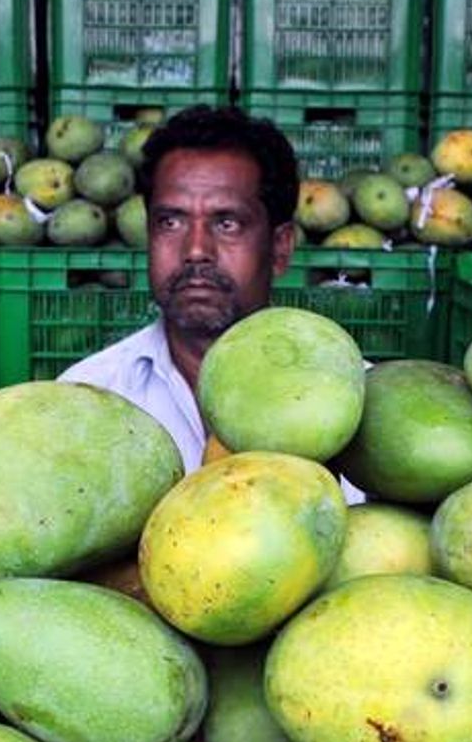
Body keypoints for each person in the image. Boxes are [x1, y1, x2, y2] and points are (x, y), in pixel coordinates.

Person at [60, 105, 301, 477]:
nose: (195, 250)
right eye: (170, 222)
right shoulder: (88, 398)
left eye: (227, 223)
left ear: (280, 247)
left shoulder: (358, 413)